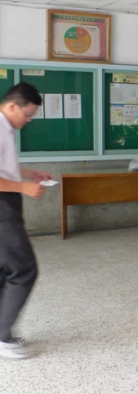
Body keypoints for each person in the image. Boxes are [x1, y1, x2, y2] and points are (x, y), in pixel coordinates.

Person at [0, 82, 53, 359]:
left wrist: (29, 173)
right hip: (2, 209)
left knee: (5, 270)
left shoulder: (6, 127)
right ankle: (2, 339)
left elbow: (4, 166)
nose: (29, 120)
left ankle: (1, 332)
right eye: (27, 114)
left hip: (6, 204)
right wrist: (23, 187)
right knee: (23, 269)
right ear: (12, 106)